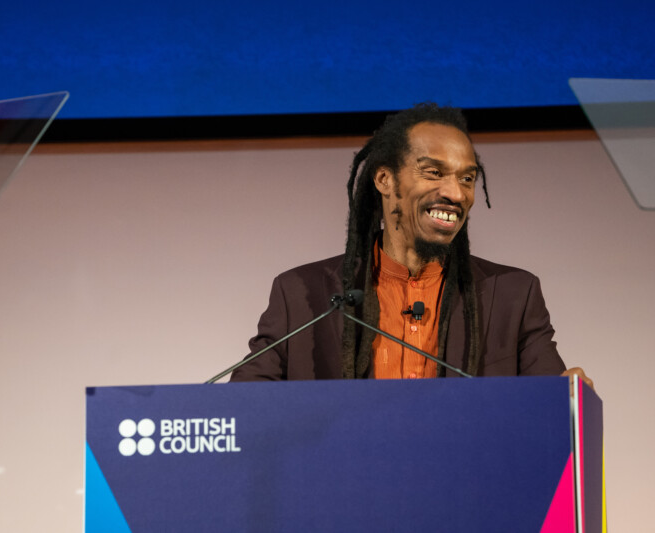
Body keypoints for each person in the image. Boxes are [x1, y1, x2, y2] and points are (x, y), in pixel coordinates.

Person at [230, 103, 591, 386]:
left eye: (467, 178)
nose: (456, 193)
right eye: (434, 172)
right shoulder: (301, 295)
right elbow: (242, 411)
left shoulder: (514, 295)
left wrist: (571, 395)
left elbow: (553, 407)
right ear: (385, 179)